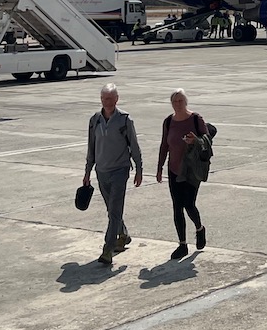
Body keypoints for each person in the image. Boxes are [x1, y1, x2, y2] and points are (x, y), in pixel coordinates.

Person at [84, 82, 143, 267]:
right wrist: (87, 172)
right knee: (112, 210)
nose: (107, 102)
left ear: (117, 99)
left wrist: (139, 169)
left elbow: (134, 146)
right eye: (104, 99)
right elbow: (91, 148)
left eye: (110, 98)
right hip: (101, 171)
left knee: (114, 211)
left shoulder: (125, 120)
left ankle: (108, 250)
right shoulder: (95, 120)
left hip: (120, 170)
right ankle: (123, 234)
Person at [156, 89, 215, 260]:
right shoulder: (168, 121)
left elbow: (207, 140)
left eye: (181, 101)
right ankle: (182, 244)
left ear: (186, 102)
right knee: (177, 206)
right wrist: (159, 168)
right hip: (174, 169)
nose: (178, 104)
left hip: (192, 170)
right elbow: (164, 145)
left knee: (189, 204)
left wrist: (195, 140)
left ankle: (199, 228)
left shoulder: (196, 119)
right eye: (175, 101)